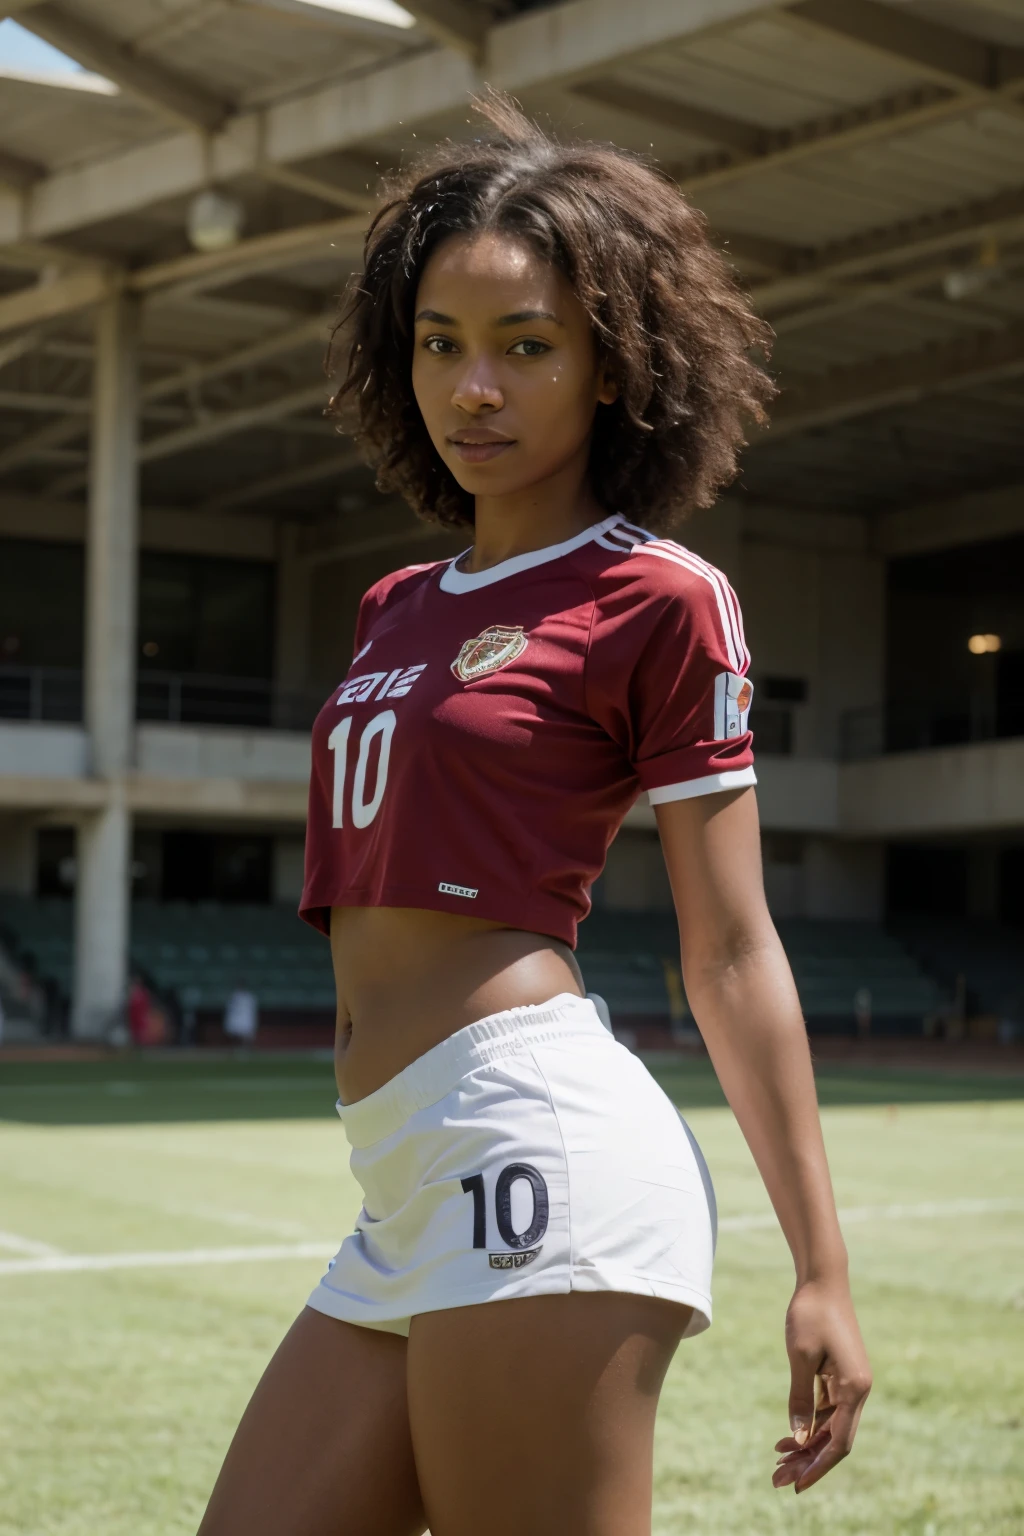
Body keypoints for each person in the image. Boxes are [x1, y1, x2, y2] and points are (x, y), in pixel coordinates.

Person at [198, 95, 870, 1536]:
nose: (474, 389)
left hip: (531, 1144)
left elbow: (736, 949)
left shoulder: (659, 597)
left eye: (525, 346)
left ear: (614, 369)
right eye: (441, 344)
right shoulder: (393, 604)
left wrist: (822, 1265)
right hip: (402, 1174)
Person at [223, 983, 258, 1050]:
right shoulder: (233, 996)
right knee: (235, 1035)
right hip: (236, 1018)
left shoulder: (249, 996)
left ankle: (245, 1049)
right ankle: (235, 1049)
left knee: (246, 1036)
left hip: (245, 1018)